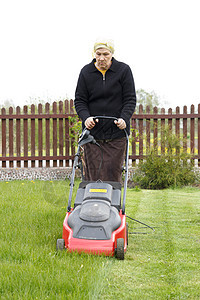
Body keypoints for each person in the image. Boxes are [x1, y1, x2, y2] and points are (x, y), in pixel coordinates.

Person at [74, 39, 136, 182]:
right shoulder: (86, 72)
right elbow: (80, 101)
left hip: (116, 134)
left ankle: (112, 204)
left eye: (105, 54)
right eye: (98, 54)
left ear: (112, 54)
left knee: (113, 174)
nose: (102, 58)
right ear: (94, 54)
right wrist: (86, 118)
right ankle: (91, 204)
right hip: (92, 135)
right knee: (92, 175)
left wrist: (124, 118)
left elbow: (130, 99)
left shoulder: (123, 71)